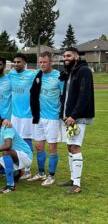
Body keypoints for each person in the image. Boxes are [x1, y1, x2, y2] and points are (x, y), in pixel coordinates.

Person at [58, 47, 95, 194]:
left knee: (75, 147)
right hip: (69, 117)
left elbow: (84, 95)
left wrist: (74, 115)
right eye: (64, 56)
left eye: (68, 56)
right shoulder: (70, 72)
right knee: (69, 146)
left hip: (77, 117)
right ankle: (73, 178)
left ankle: (77, 185)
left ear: (76, 57)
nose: (65, 58)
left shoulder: (84, 71)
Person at [28, 51, 64, 186]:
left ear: (51, 62)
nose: (42, 64)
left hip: (52, 117)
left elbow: (64, 94)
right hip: (38, 116)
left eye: (45, 62)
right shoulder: (37, 75)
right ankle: (41, 173)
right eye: (40, 62)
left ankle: (52, 175)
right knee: (38, 146)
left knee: (52, 147)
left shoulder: (59, 76)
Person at [0, 112, 33, 193]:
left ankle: (10, 186)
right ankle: (17, 173)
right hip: (12, 157)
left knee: (6, 151)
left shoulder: (7, 127)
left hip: (25, 156)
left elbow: (8, 146)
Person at [8, 53, 35, 179]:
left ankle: (28, 169)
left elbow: (45, 73)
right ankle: (18, 165)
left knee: (26, 140)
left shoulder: (31, 74)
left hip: (27, 115)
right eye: (15, 62)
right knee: (14, 140)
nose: (16, 64)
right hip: (15, 115)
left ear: (25, 63)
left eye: (19, 62)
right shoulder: (11, 74)